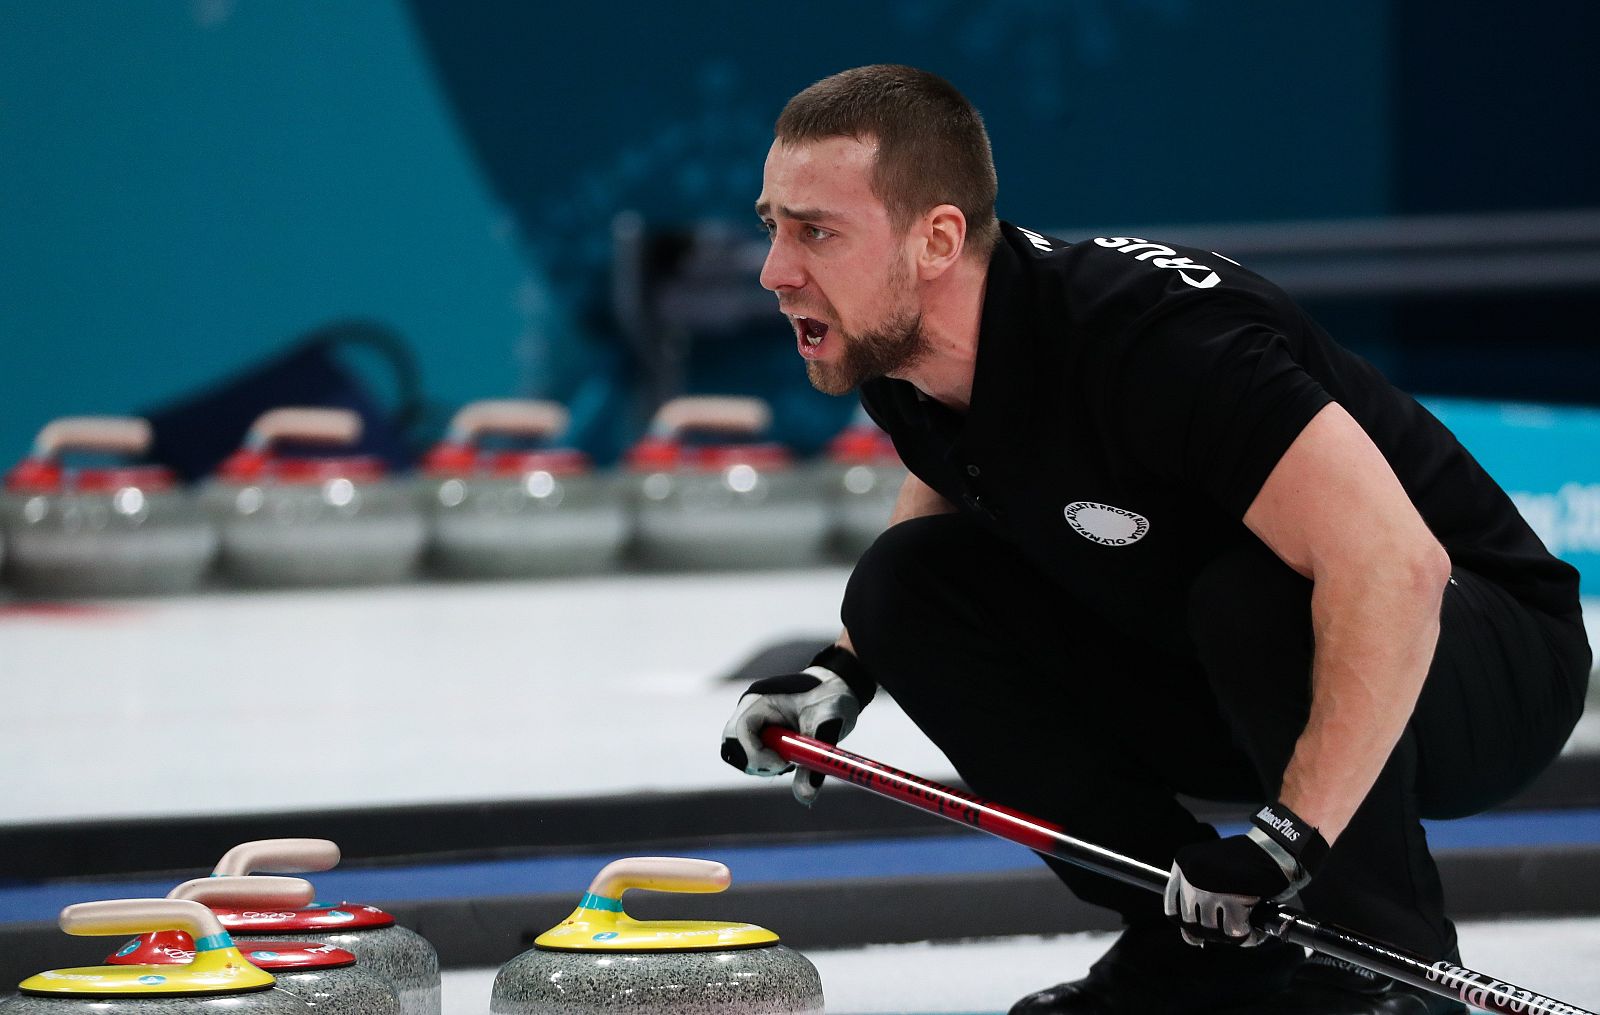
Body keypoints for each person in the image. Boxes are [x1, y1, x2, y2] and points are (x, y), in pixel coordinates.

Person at [717, 65, 1591, 1015]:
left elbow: (1395, 567)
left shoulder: (1161, 341)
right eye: (773, 224)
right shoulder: (906, 351)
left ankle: (1383, 961)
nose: (775, 270)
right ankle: (1196, 949)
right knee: (900, 588)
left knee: (1256, 593)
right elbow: (961, 468)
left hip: (1482, 662)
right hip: (1229, 669)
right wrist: (842, 671)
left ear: (937, 239)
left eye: (816, 231)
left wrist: (1288, 843)